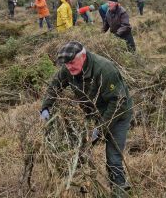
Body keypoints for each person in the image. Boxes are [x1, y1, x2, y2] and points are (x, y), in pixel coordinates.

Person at [40, 41, 133, 195]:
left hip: (118, 114)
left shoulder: (104, 69)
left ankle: (119, 190)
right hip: (93, 114)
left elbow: (118, 102)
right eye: (66, 64)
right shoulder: (69, 69)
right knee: (80, 150)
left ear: (83, 56)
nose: (69, 67)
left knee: (113, 157)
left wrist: (101, 129)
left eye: (71, 62)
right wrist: (46, 107)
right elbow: (55, 85)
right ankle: (85, 186)